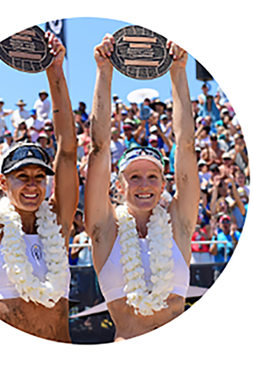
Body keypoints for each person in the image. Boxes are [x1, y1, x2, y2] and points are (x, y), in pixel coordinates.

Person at [85, 35, 198, 341]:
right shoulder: (105, 230)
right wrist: (103, 72)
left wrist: (178, 71)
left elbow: (186, 146)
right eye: (134, 177)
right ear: (119, 186)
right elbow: (98, 148)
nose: (144, 185)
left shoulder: (178, 224)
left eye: (152, 177)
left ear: (164, 184)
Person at [0, 33, 77, 342]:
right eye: (22, 177)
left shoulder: (56, 222)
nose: (32, 185)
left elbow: (68, 150)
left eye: (39, 177)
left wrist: (55, 72)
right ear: (3, 183)